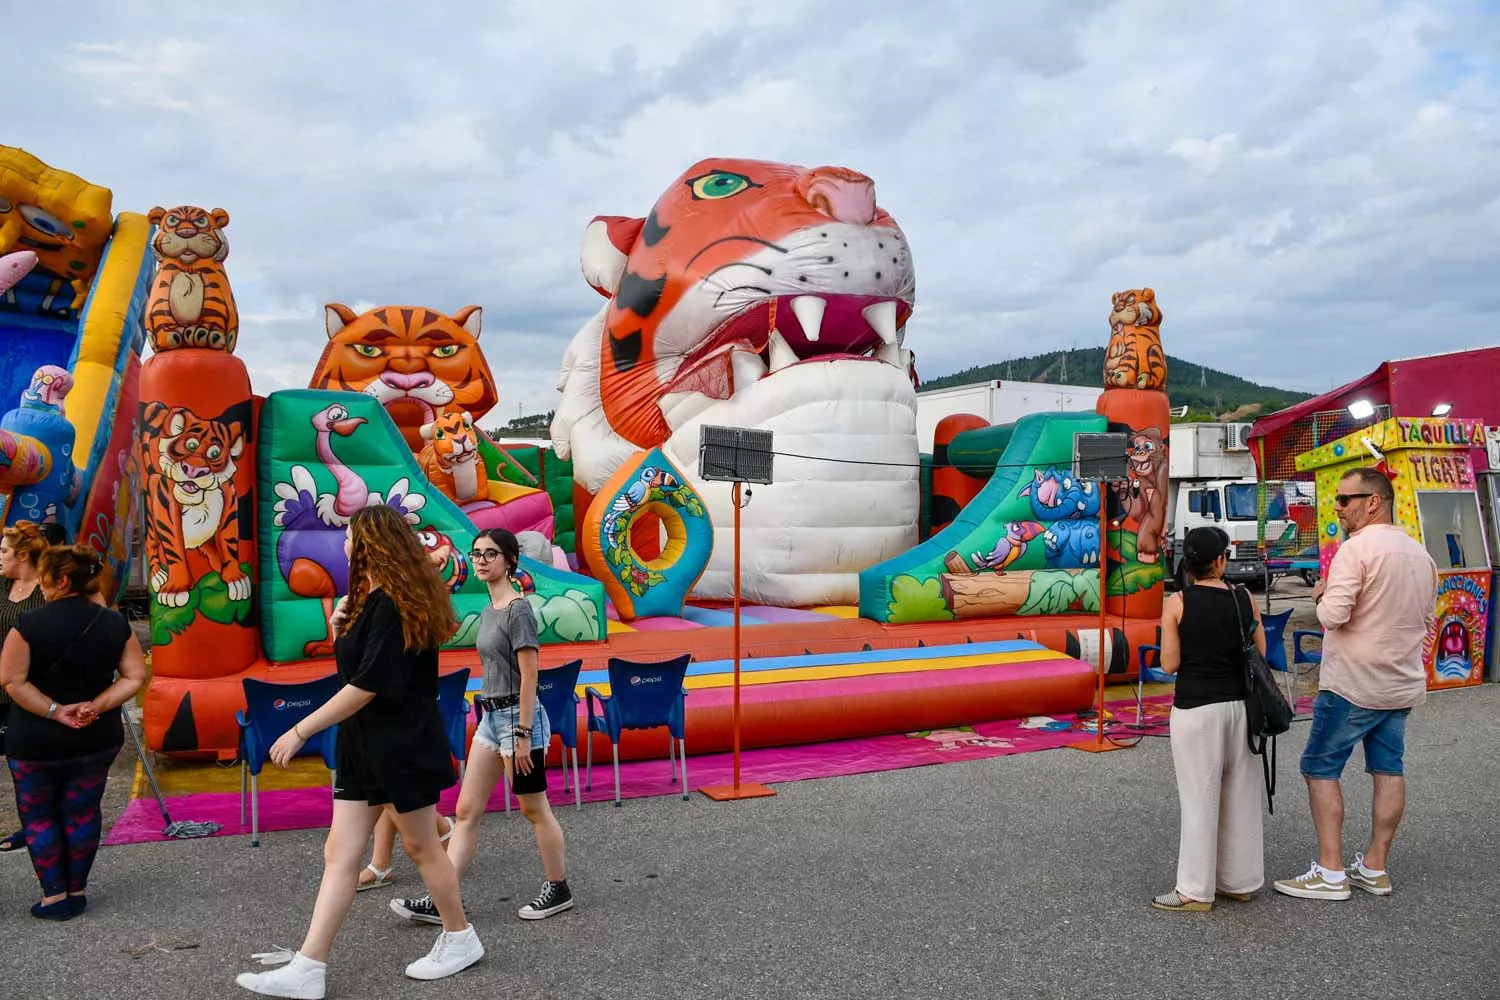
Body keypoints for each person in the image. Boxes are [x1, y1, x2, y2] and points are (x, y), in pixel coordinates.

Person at [235, 504, 482, 999]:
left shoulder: (393, 605)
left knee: (420, 846)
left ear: (369, 544)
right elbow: (359, 672)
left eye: (350, 534)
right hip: (367, 745)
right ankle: (309, 966)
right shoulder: (373, 603)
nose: (344, 541)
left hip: (398, 745)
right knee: (340, 852)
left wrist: (302, 728)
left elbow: (369, 684)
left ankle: (461, 937)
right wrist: (337, 631)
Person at [390, 527, 573, 925]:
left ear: (510, 561)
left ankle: (558, 887)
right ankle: (444, 898)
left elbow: (530, 676)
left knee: (533, 808)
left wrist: (524, 734)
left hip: (517, 722)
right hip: (491, 719)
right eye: (476, 554)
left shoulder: (517, 610)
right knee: (467, 810)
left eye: (490, 554)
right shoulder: (491, 609)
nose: (481, 561)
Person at [1274, 467, 1437, 901]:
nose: (1338, 507)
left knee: (1319, 768)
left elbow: (1332, 617)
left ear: (1374, 502)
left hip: (1351, 684)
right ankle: (1375, 866)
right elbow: (1427, 620)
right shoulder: (1421, 555)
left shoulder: (1355, 551)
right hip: (1399, 683)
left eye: (1346, 499)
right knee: (1388, 770)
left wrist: (1320, 594)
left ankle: (1330, 871)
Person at [0, 543, 145, 919]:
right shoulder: (114, 622)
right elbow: (134, 676)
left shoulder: (28, 625)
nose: (42, 586)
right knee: (82, 812)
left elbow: (12, 682)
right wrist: (96, 705)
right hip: (96, 734)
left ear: (61, 580)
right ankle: (77, 890)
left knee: (40, 816)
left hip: (35, 739)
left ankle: (54, 896)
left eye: (45, 577)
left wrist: (54, 710)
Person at [1151, 526, 1267, 912]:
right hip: (1240, 706)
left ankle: (1194, 889)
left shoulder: (1177, 602)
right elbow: (1260, 651)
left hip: (1196, 708)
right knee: (1240, 793)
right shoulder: (1243, 597)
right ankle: (1238, 879)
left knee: (1200, 797)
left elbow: (1169, 663)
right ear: (1220, 560)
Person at [0, 522, 50, 853]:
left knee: (32, 763)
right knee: (12, 763)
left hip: (33, 688)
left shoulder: (46, 589)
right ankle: (28, 824)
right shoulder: (2, 586)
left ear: (23, 556)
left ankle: (36, 825)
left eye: (3, 551)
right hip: (1, 687)